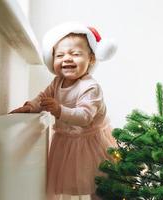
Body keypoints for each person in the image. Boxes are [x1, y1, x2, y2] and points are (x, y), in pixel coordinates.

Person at [10, 22, 117, 200]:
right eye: (60, 55)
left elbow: (84, 117)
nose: (67, 58)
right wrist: (31, 106)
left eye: (75, 54)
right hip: (67, 141)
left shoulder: (90, 87)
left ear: (91, 59)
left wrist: (59, 110)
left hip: (90, 141)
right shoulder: (57, 82)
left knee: (98, 182)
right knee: (68, 183)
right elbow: (43, 98)